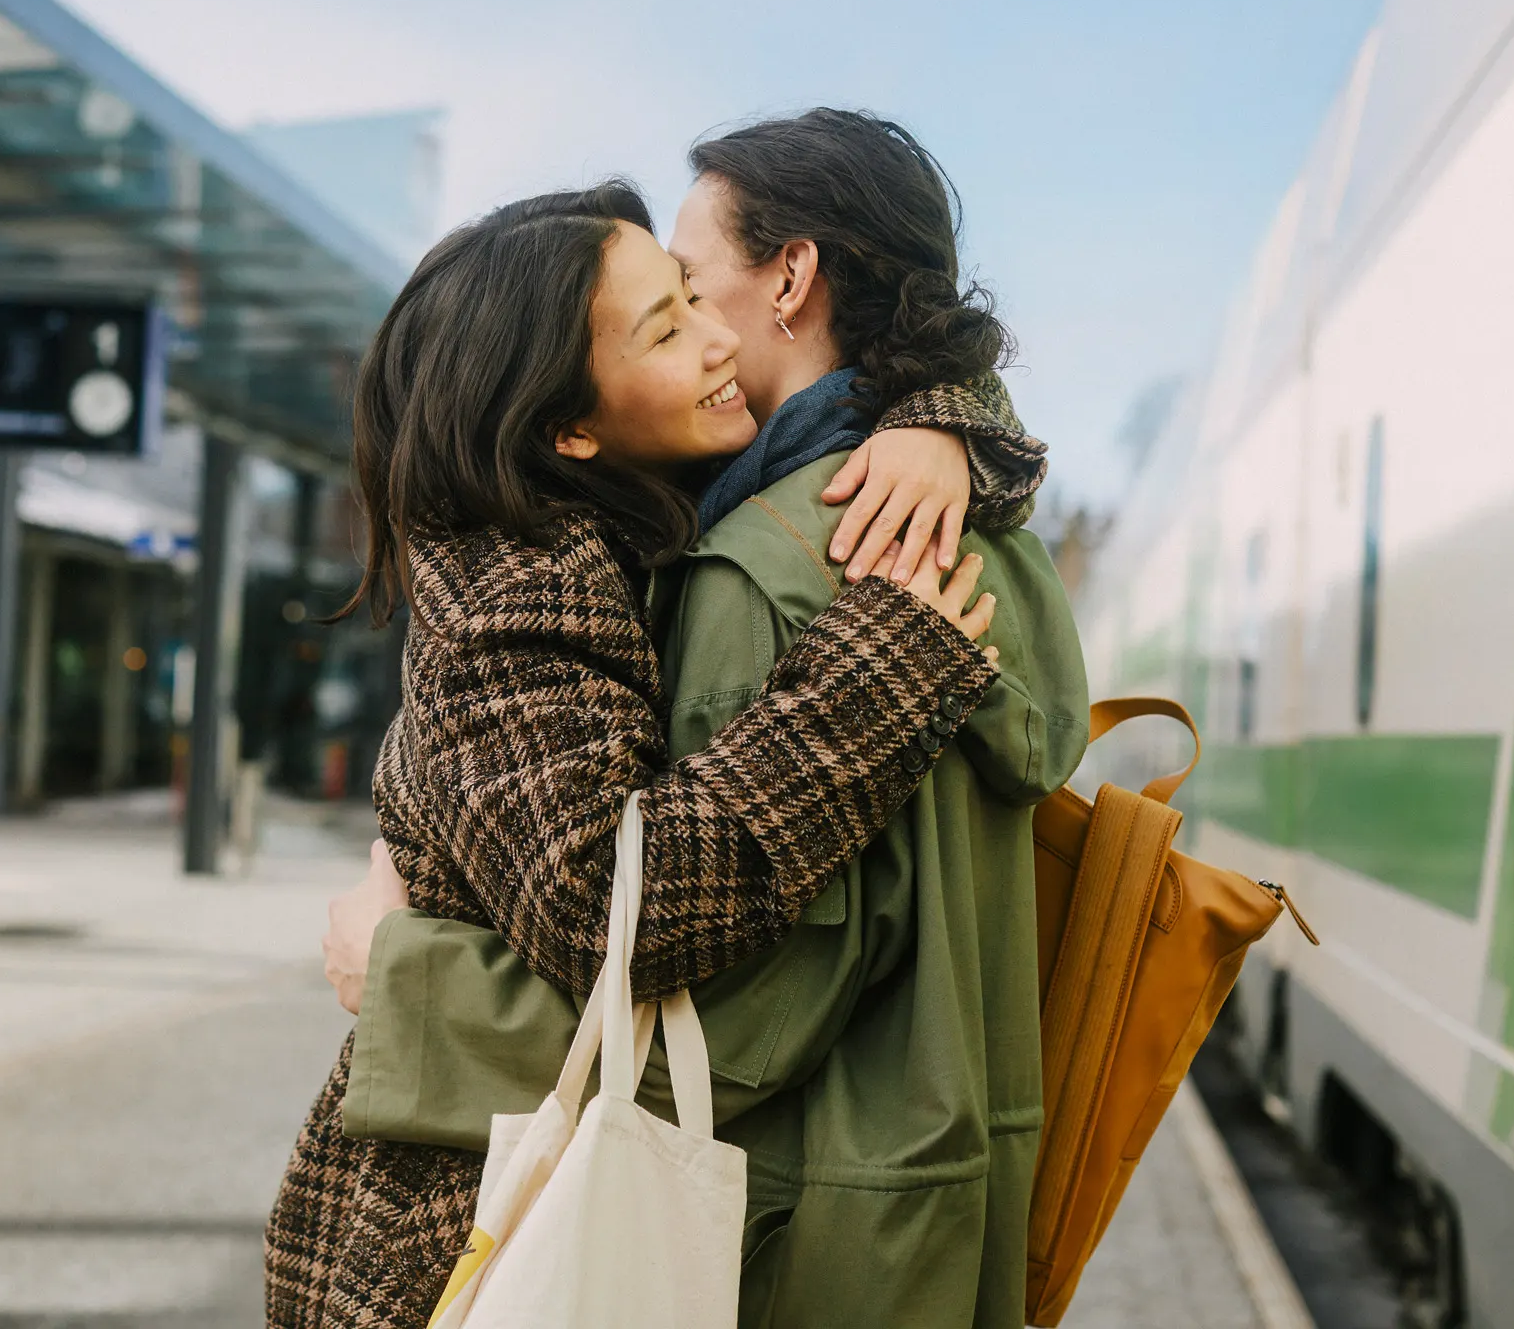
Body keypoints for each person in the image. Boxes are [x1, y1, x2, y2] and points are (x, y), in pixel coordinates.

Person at [308, 111, 1090, 1327]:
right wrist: (947, 420)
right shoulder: (931, 539)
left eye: (690, 286)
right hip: (492, 1228)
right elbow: (619, 911)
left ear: (794, 275)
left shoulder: (763, 556)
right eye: (666, 321)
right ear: (570, 419)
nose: (707, 333)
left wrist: (409, 980)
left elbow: (732, 1013)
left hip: (780, 1224)